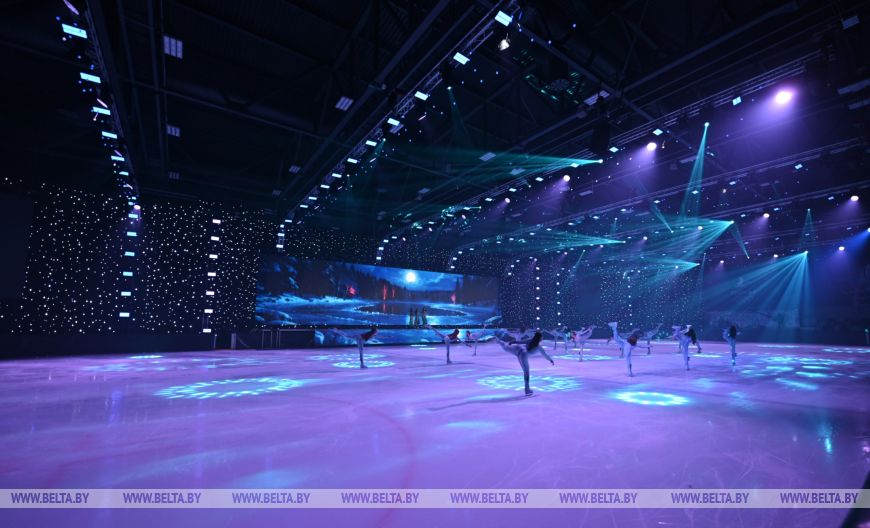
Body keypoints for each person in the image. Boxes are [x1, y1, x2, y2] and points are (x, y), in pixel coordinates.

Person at [493, 331, 554, 395]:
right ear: (539, 338)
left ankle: (497, 340)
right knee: (526, 372)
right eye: (542, 337)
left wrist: (513, 342)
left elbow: (520, 342)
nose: (542, 338)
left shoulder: (531, 340)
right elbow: (545, 355)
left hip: (518, 349)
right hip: (523, 354)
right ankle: (527, 389)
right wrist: (550, 360)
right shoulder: (539, 347)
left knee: (505, 347)